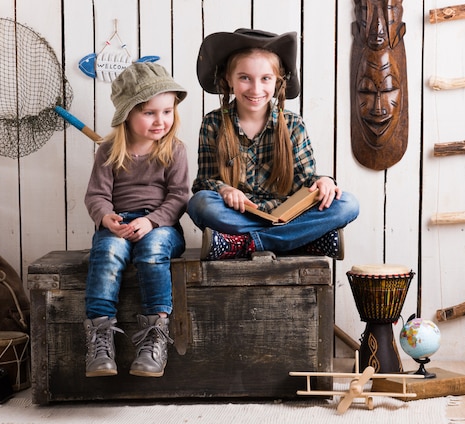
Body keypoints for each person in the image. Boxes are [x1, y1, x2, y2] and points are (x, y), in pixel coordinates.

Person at [188, 28, 359, 260]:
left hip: (287, 213)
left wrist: (323, 181)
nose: (256, 89)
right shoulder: (213, 123)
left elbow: (305, 181)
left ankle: (243, 244)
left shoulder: (292, 124)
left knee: (347, 204)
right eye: (244, 77)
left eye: (265, 78)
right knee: (200, 204)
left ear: (278, 81)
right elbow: (203, 183)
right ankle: (301, 241)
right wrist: (226, 190)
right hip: (238, 214)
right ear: (229, 79)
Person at [83, 62, 189, 378]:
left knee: (152, 251)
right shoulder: (108, 151)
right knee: (107, 253)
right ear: (127, 114)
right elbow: (96, 196)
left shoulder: (174, 150)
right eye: (150, 113)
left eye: (167, 112)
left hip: (161, 226)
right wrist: (105, 218)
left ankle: (156, 332)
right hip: (120, 223)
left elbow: (179, 197)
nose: (161, 121)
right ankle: (100, 335)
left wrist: (152, 222)